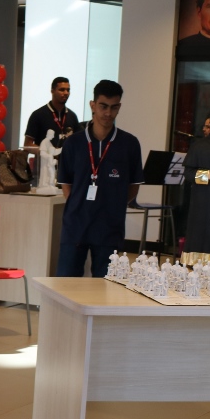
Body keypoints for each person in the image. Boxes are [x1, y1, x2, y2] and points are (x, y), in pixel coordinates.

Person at [56, 79, 144, 278]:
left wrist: (114, 205)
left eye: (114, 107)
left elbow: (133, 186)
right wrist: (80, 205)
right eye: (103, 106)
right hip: (76, 225)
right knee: (66, 283)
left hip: (109, 226)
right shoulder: (73, 143)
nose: (108, 113)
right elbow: (66, 185)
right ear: (92, 105)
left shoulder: (129, 144)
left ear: (119, 107)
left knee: (105, 286)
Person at [183, 111, 210, 266]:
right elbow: (188, 173)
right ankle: (195, 260)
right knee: (199, 225)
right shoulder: (198, 146)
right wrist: (207, 175)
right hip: (201, 197)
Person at [23, 77, 80, 149]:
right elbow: (27, 145)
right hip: (44, 156)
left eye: (68, 90)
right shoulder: (38, 115)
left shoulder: (72, 116)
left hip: (66, 156)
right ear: (52, 91)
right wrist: (46, 152)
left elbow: (79, 142)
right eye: (62, 90)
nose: (66, 93)